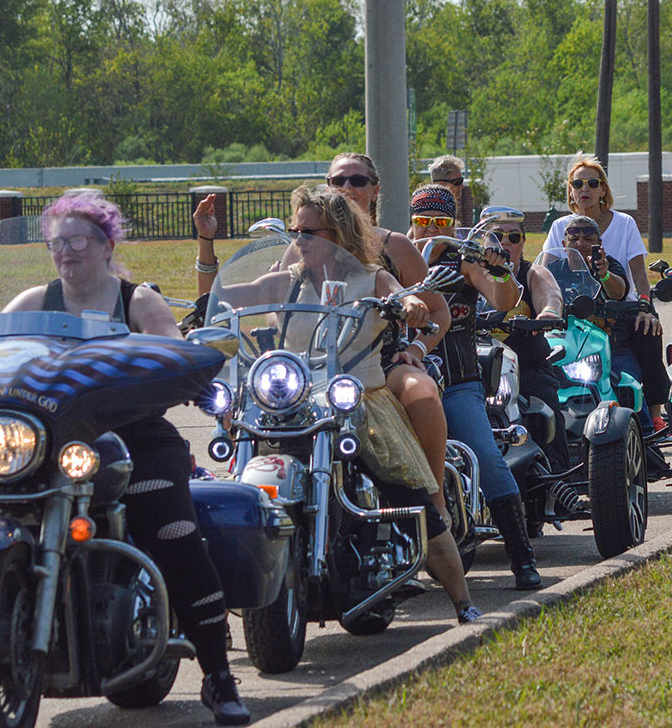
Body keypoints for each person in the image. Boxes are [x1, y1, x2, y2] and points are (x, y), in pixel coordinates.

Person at [0, 191, 250, 727]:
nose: (65, 252)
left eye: (77, 241)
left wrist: (174, 361)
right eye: (56, 243)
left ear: (105, 245)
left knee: (172, 532)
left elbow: (171, 348)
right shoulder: (31, 302)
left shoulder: (136, 300)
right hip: (47, 442)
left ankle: (218, 674)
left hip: (132, 434)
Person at [197, 185, 481, 625]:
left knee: (413, 493)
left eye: (309, 232)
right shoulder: (285, 281)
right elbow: (221, 299)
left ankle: (463, 602)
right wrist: (206, 244)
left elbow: (403, 295)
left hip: (359, 399)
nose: (299, 241)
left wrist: (408, 305)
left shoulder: (369, 277)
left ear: (340, 233)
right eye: (295, 231)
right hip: (294, 400)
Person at [409, 184, 544, 590]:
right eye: (423, 222)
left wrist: (500, 269)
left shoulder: (464, 257)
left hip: (456, 380)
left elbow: (505, 301)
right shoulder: (394, 256)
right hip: (405, 378)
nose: (431, 230)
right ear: (411, 221)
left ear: (453, 223)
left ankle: (522, 557)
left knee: (485, 454)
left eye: (441, 222)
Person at [317, 153, 455, 524]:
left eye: (358, 181)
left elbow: (439, 311)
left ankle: (434, 501)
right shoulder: (304, 245)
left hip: (384, 362)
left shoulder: (395, 246)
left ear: (375, 189)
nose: (347, 188)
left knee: (423, 395)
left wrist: (415, 348)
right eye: (338, 181)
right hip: (317, 366)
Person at [542, 155, 669, 435]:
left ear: (603, 190)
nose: (584, 188)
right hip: (572, 314)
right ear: (571, 190)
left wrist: (645, 305)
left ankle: (653, 413)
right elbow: (544, 274)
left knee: (647, 328)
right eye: (578, 183)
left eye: (592, 182)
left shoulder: (623, 225)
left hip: (621, 310)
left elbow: (635, 276)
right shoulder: (559, 227)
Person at [491, 218, 571, 474]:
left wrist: (548, 312)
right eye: (496, 236)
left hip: (527, 366)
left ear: (523, 243)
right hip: (478, 368)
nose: (505, 242)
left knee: (543, 401)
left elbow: (550, 294)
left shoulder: (532, 272)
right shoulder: (473, 273)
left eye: (514, 237)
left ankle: (557, 478)